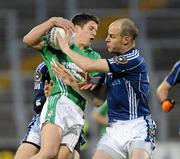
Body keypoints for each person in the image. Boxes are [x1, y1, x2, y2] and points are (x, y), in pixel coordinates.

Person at [52, 18, 157, 159]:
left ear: (126, 40)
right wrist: (73, 83)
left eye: (112, 36)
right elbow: (97, 101)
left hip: (138, 126)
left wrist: (65, 49)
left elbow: (88, 65)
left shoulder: (133, 59)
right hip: (115, 130)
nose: (106, 39)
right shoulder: (110, 69)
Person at [23, 14, 101, 159]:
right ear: (76, 28)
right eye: (91, 28)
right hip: (59, 104)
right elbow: (27, 40)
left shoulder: (94, 57)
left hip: (78, 113)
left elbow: (97, 99)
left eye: (96, 30)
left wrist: (73, 82)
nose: (94, 33)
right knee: (48, 153)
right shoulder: (55, 46)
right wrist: (52, 21)